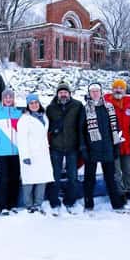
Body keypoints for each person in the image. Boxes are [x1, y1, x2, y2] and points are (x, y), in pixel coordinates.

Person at [79, 83, 127, 213]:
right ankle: (88, 204)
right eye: (92, 91)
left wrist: (116, 146)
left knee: (111, 178)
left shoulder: (109, 107)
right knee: (89, 179)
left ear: (101, 92)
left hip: (108, 149)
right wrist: (83, 148)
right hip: (91, 149)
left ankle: (116, 204)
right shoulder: (85, 109)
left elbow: (115, 128)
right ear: (89, 94)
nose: (95, 93)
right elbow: (81, 131)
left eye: (97, 91)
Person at [45, 82, 83, 215]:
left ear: (69, 93)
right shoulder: (50, 108)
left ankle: (70, 201)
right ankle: (54, 201)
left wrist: (81, 143)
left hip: (72, 147)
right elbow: (45, 125)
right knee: (54, 175)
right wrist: (53, 130)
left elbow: (82, 124)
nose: (63, 94)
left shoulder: (77, 106)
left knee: (72, 176)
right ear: (57, 94)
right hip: (56, 147)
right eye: (61, 92)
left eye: (65, 92)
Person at [0, 89, 22, 215]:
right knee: (4, 179)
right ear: (2, 99)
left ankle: (13, 204)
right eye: (6, 97)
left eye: (10, 97)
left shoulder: (18, 114)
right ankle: (2, 206)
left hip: (16, 153)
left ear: (13, 99)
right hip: (2, 153)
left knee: (15, 178)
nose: (8, 99)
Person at [17, 94, 54, 214]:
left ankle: (38, 203)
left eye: (36, 102)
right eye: (31, 103)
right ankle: (29, 205)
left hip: (43, 153)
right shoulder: (24, 119)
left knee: (41, 178)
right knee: (29, 180)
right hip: (30, 153)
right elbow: (21, 138)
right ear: (28, 105)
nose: (34, 105)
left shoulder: (44, 116)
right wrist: (25, 155)